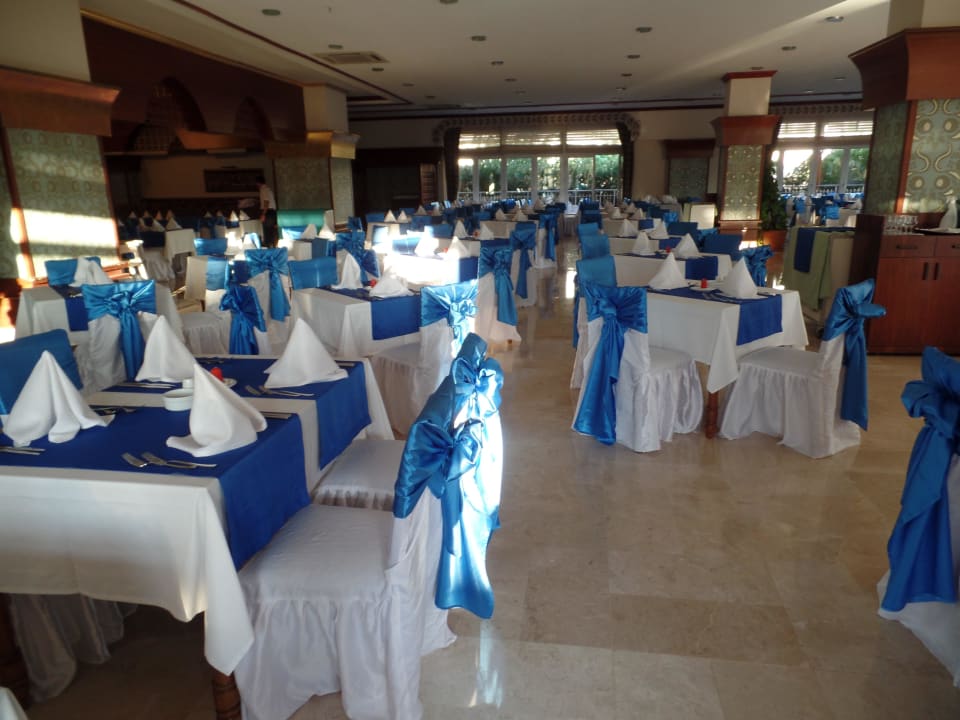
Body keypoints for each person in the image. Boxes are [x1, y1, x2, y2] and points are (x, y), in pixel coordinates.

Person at [256, 175, 278, 247]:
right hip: (272, 212)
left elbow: (266, 202)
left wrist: (263, 214)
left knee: (267, 232)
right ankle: (272, 246)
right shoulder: (268, 189)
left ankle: (268, 247)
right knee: (271, 232)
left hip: (268, 212)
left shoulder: (263, 189)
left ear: (258, 183)